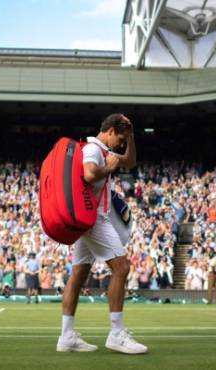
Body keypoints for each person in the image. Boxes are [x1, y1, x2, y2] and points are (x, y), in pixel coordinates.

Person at [57, 114, 147, 355]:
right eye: (120, 137)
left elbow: (130, 161)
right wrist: (108, 166)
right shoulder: (93, 149)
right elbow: (89, 174)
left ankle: (66, 336)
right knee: (122, 267)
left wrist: (131, 137)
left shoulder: (104, 148)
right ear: (109, 131)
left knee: (78, 274)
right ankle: (116, 334)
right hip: (95, 219)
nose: (120, 143)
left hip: (88, 219)